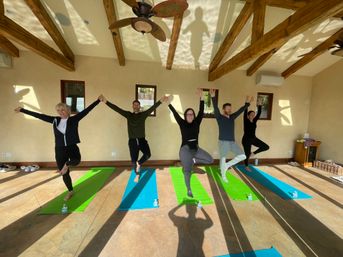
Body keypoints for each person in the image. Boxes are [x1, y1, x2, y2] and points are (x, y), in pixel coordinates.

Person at [15, 96, 101, 200]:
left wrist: (98, 101)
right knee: (64, 173)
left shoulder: (74, 119)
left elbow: (87, 110)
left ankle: (67, 164)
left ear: (68, 110)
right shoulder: (55, 120)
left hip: (72, 146)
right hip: (60, 149)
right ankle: (70, 191)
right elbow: (39, 116)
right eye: (58, 110)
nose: (60, 112)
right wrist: (22, 110)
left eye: (62, 110)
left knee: (76, 161)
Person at [100, 95, 168, 182]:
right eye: (134, 105)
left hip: (142, 140)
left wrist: (161, 101)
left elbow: (152, 108)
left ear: (139, 106)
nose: (136, 106)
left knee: (147, 154)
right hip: (132, 141)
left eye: (137, 105)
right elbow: (117, 109)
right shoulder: (128, 115)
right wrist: (106, 101)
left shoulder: (143, 115)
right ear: (132, 106)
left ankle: (139, 163)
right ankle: (137, 174)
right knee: (133, 161)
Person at [167, 89, 213, 197]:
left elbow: (201, 111)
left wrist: (201, 97)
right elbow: (174, 113)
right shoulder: (182, 123)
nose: (190, 115)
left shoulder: (197, 122)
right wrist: (169, 103)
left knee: (210, 160)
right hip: (185, 150)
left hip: (196, 149)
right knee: (187, 171)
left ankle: (193, 161)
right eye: (188, 114)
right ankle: (189, 189)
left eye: (192, 114)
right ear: (185, 115)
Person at [210, 89, 253, 183]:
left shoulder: (232, 117)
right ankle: (223, 175)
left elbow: (240, 110)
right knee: (223, 158)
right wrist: (213, 97)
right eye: (227, 108)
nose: (229, 110)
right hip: (223, 142)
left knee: (243, 156)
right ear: (224, 109)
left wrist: (247, 103)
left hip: (232, 142)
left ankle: (226, 166)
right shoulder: (219, 117)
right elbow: (216, 108)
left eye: (230, 108)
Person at [242, 97, 269, 171]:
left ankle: (253, 153)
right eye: (251, 114)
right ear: (248, 115)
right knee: (247, 154)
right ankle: (246, 166)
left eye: (254, 114)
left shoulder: (254, 121)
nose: (253, 116)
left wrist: (259, 104)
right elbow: (245, 111)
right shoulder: (246, 120)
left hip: (253, 138)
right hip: (246, 140)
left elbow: (259, 113)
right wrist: (247, 102)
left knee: (266, 147)